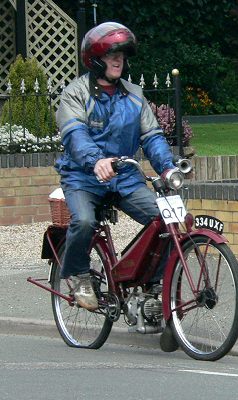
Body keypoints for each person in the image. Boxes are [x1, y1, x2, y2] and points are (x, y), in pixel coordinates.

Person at [55, 21, 175, 311]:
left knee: (168, 221)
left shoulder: (134, 95)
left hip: (125, 180)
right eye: (111, 54)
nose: (118, 59)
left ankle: (152, 283)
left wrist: (168, 168)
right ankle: (78, 274)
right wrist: (95, 161)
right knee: (84, 221)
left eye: (121, 54)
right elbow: (75, 136)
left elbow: (153, 137)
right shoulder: (75, 94)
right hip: (83, 178)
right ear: (95, 59)